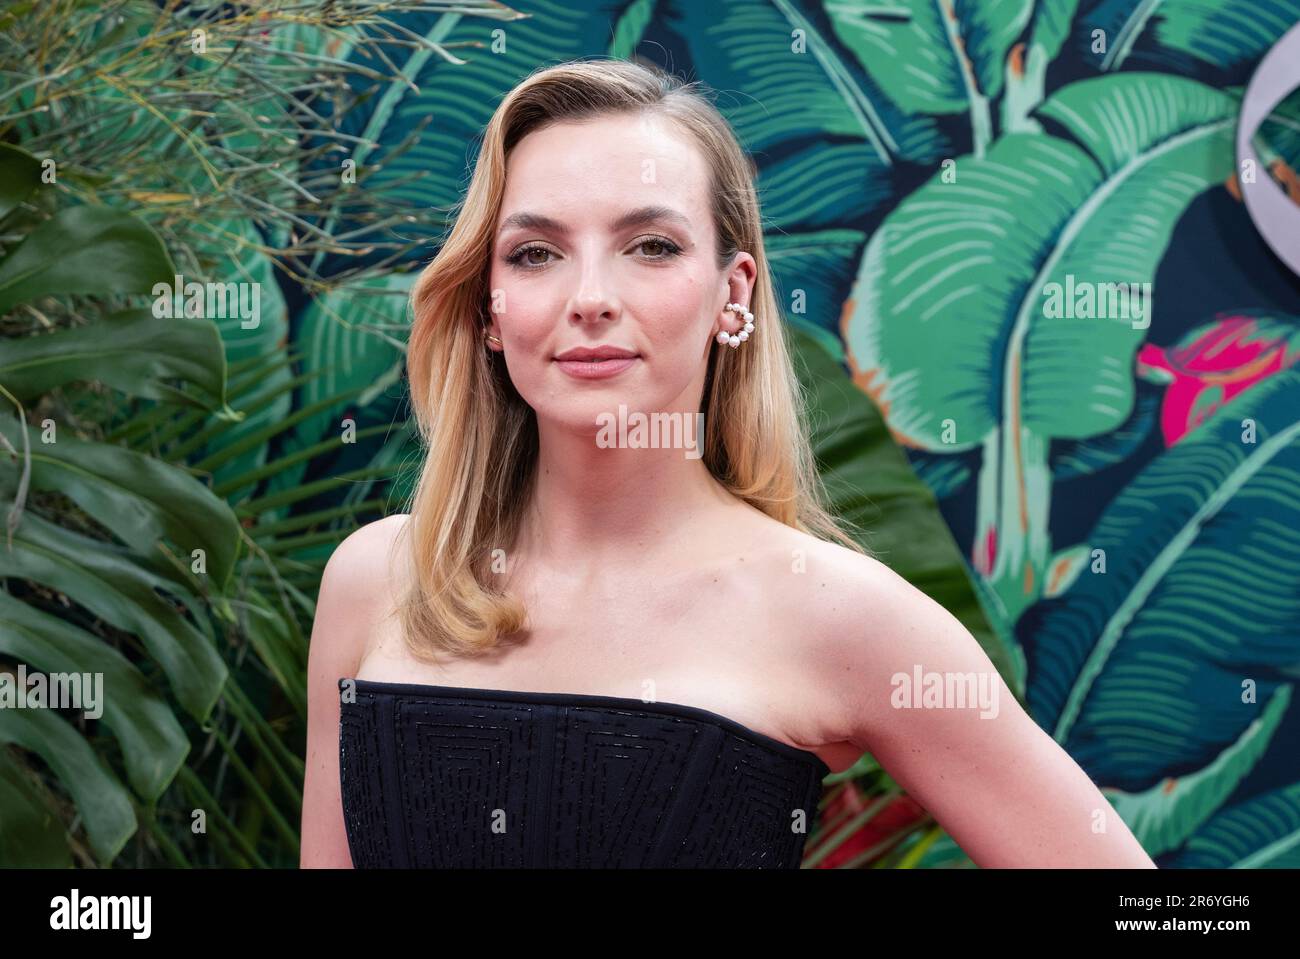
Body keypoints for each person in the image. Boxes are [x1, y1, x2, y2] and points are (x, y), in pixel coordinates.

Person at [300, 57, 1156, 869]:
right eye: (536, 253)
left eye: (651, 246)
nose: (589, 296)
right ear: (490, 307)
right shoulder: (377, 580)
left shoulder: (835, 613)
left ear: (733, 294)